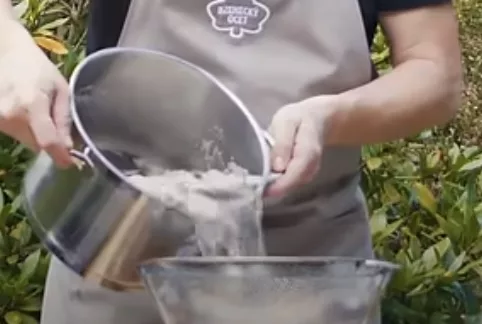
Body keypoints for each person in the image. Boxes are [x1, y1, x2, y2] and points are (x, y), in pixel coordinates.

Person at [0, 0, 462, 323]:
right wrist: (11, 49)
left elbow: (435, 74)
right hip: (118, 246)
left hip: (308, 268)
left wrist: (329, 118)